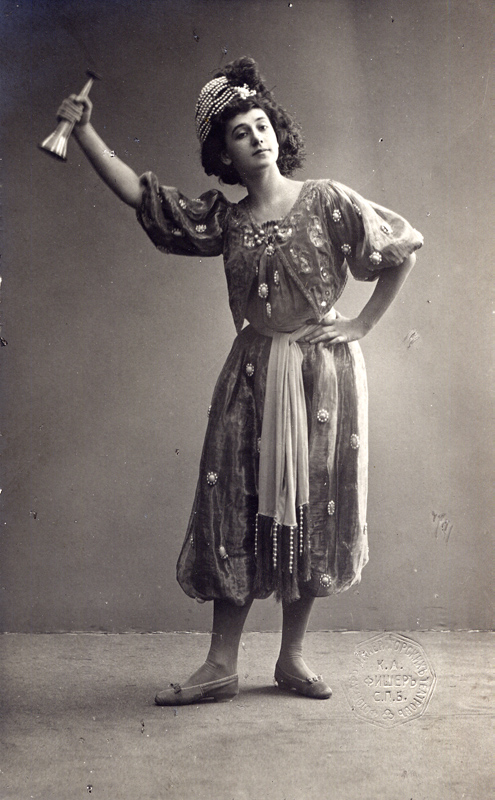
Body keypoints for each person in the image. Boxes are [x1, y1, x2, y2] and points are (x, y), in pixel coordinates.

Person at [56, 57, 423, 705]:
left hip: (321, 379)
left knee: (310, 509)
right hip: (249, 377)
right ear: (221, 153)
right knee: (235, 506)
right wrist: (86, 134)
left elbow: (397, 248)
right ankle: (220, 664)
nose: (254, 137)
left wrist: (361, 325)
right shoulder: (225, 221)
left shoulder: (329, 200)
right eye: (238, 133)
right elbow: (147, 200)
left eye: (261, 124)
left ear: (276, 130)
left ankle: (292, 658)